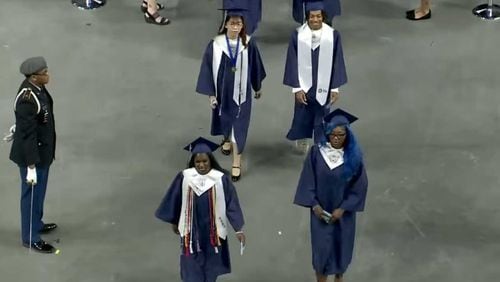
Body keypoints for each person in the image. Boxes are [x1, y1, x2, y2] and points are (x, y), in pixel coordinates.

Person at [155, 137, 246, 282]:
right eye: (198, 162)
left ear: (210, 161)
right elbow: (175, 199)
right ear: (193, 162)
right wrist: (174, 220)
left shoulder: (220, 179)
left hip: (212, 231)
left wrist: (238, 228)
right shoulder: (185, 178)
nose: (201, 165)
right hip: (191, 231)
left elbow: (231, 203)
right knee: (191, 265)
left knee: (211, 265)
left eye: (205, 161)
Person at [294, 108, 368, 282]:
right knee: (321, 254)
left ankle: (339, 278)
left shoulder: (354, 158)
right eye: (333, 134)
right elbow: (308, 181)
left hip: (343, 216)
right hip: (320, 214)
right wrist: (314, 205)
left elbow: (359, 187)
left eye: (340, 135)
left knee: (341, 252)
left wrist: (343, 208)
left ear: (347, 135)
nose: (336, 138)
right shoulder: (316, 154)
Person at [196, 3, 266, 181]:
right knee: (224, 118)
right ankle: (226, 138)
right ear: (225, 24)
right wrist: (211, 94)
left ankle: (237, 161)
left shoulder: (249, 44)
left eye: (239, 23)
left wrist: (257, 87)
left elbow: (256, 67)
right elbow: (206, 70)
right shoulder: (216, 45)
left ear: (243, 25)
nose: (235, 26)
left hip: (242, 96)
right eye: (232, 23)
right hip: (223, 92)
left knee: (239, 125)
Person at [284, 0, 347, 154]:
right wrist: (297, 88)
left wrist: (335, 87)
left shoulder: (332, 36)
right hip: (305, 86)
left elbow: (337, 62)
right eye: (312, 16)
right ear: (307, 17)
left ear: (323, 16)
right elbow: (292, 61)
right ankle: (302, 138)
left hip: (323, 86)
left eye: (318, 16)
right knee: (302, 114)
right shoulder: (298, 35)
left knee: (322, 115)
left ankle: (321, 143)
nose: (315, 19)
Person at [9, 57, 58, 253]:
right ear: (34, 77)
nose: (48, 75)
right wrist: (30, 166)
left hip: (43, 153)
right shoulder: (28, 99)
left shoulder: (37, 89)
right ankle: (30, 237)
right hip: (33, 156)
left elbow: (31, 123)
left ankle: (36, 224)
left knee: (40, 192)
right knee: (31, 196)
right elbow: (28, 134)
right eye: (44, 73)